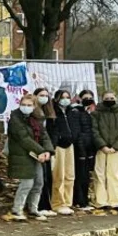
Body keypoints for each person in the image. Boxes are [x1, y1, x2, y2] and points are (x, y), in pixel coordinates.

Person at [7, 93, 53, 221]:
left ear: (34, 106)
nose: (26, 107)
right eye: (23, 104)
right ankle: (17, 209)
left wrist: (48, 150)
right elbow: (23, 138)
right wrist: (41, 151)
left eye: (29, 105)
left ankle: (33, 208)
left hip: (37, 154)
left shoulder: (37, 119)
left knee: (39, 183)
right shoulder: (15, 119)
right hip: (23, 154)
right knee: (27, 183)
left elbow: (44, 136)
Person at [92, 91, 118, 211]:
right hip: (100, 148)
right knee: (100, 174)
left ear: (116, 98)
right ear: (102, 99)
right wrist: (102, 145)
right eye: (106, 98)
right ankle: (101, 201)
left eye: (111, 97)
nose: (109, 99)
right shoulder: (96, 113)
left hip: (116, 149)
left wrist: (116, 146)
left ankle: (115, 201)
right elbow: (94, 130)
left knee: (113, 174)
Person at [48, 88, 79, 216]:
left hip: (70, 145)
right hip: (59, 146)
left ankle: (67, 201)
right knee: (58, 175)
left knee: (69, 175)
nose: (65, 100)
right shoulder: (53, 112)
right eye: (62, 97)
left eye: (67, 97)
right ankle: (58, 202)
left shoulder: (72, 111)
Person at [33, 87, 57, 215]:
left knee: (48, 177)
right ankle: (39, 206)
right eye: (41, 95)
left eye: (46, 95)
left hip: (47, 148)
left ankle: (47, 205)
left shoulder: (49, 113)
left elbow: (49, 133)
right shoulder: (33, 112)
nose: (44, 97)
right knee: (39, 179)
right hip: (37, 148)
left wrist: (50, 149)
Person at [73, 90, 98, 211]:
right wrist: (81, 149)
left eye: (90, 97)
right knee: (80, 175)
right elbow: (78, 132)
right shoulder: (77, 112)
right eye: (85, 97)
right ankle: (80, 201)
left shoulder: (91, 113)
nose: (88, 99)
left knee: (87, 176)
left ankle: (85, 200)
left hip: (90, 148)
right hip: (81, 149)